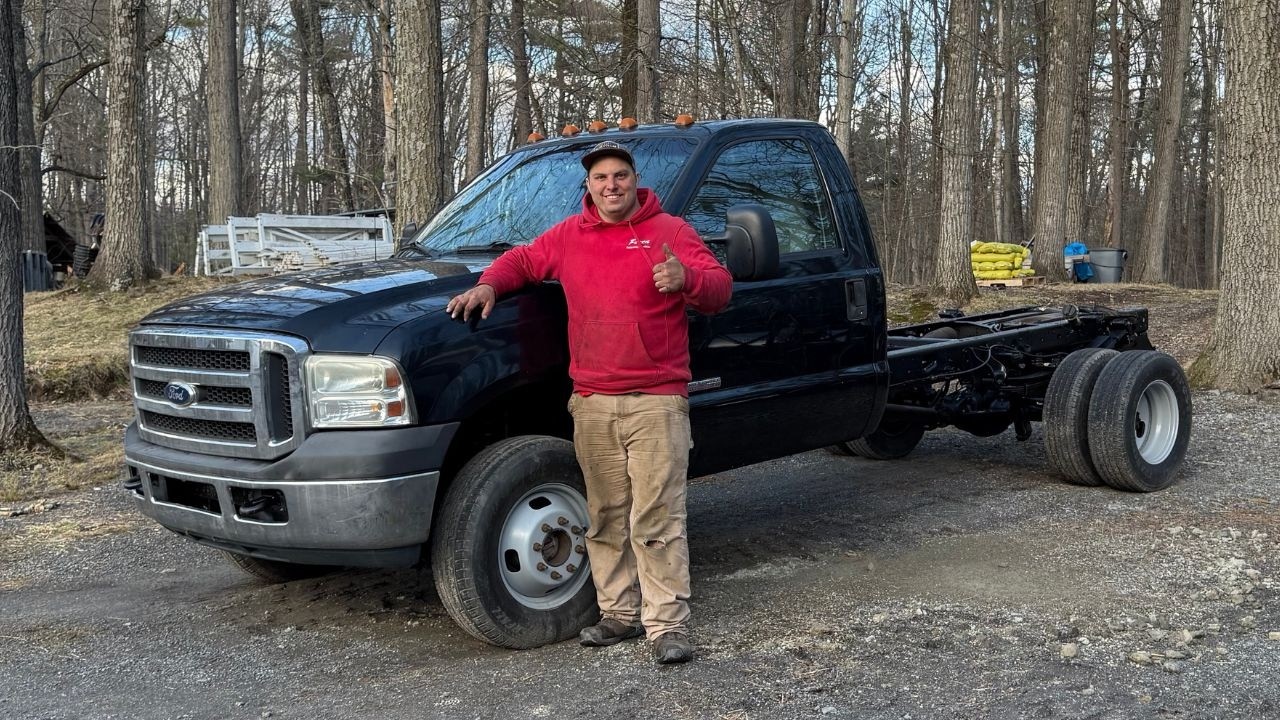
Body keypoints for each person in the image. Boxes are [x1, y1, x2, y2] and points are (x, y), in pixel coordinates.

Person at [445, 140, 732, 664]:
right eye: (600, 178)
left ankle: (667, 625)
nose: (611, 185)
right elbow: (523, 260)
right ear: (590, 186)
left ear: (634, 179)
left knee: (657, 517)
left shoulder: (670, 232)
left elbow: (720, 287)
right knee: (604, 516)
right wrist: (489, 286)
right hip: (594, 401)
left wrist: (685, 278)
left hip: (655, 400)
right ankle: (619, 615)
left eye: (620, 175)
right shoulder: (569, 236)